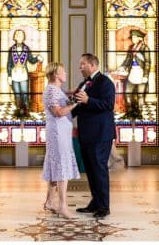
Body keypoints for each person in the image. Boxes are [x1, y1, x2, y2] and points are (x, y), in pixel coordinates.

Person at [72, 53, 115, 219]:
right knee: (90, 170)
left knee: (99, 170)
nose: (80, 67)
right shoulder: (84, 83)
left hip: (100, 134)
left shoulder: (106, 82)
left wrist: (88, 100)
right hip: (86, 134)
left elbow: (108, 105)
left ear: (92, 65)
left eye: (83, 64)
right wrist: (61, 115)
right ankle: (95, 203)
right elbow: (77, 106)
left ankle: (104, 206)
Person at [42, 62, 80, 218]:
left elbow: (67, 93)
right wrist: (74, 104)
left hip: (60, 132)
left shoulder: (56, 90)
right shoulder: (51, 91)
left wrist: (81, 89)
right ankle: (62, 206)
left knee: (54, 167)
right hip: (57, 133)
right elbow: (58, 112)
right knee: (61, 167)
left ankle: (50, 201)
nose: (66, 73)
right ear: (55, 74)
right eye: (63, 71)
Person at [6, 29, 41, 109]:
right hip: (14, 74)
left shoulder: (26, 48)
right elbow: (9, 63)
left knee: (24, 93)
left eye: (21, 36)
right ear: (15, 37)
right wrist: (9, 76)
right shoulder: (11, 49)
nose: (19, 37)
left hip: (23, 74)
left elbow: (31, 60)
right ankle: (18, 110)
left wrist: (37, 58)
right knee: (17, 94)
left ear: (23, 37)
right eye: (18, 35)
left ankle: (25, 110)